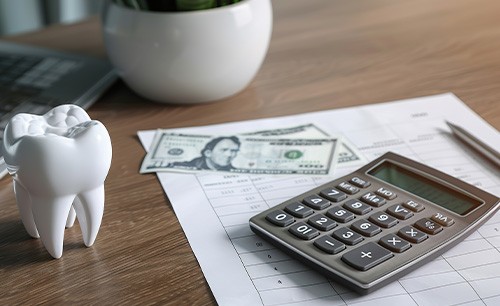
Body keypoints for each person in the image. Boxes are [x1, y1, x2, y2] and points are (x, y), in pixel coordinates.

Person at [171, 136, 241, 171]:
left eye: (234, 151)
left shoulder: (234, 171)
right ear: (208, 153)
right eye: (223, 150)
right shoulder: (183, 166)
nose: (229, 155)